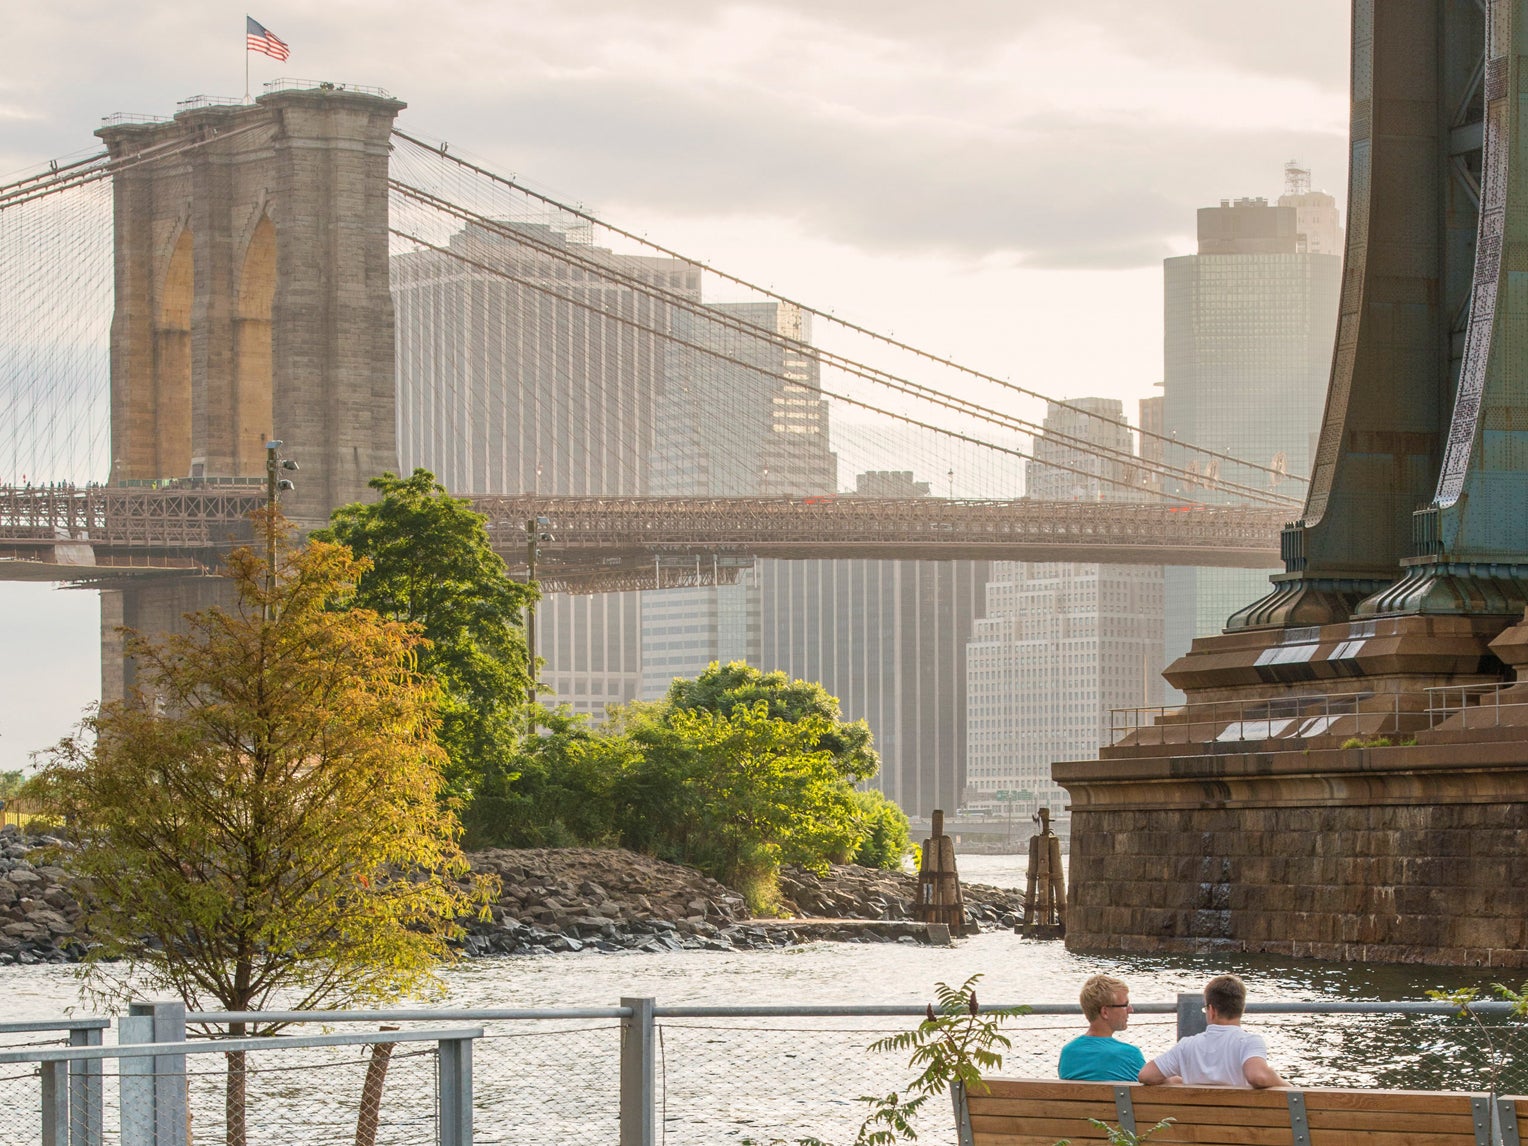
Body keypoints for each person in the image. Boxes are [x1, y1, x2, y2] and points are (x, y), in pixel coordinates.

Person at [1138, 974, 1285, 1088]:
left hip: (1194, 1125)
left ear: (1211, 1010)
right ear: (1242, 1009)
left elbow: (1146, 1075)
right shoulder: (1249, 1042)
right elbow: (1258, 1077)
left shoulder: (1187, 1045)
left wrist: (1176, 1080)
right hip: (1242, 1125)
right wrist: (1289, 1087)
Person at [1057, 974, 1147, 1081]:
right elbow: (1151, 1092)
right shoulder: (1130, 1054)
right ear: (1105, 1012)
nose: (1130, 1010)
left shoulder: (1068, 1052)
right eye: (1124, 1005)